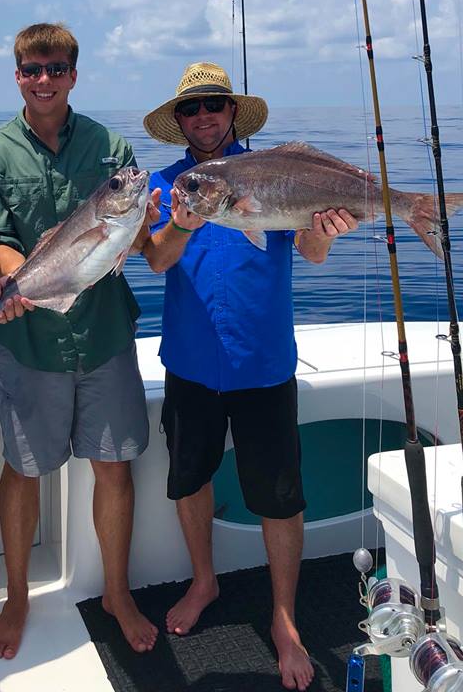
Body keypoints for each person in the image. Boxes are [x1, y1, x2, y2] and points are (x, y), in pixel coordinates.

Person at [141, 62, 357, 692]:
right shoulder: (165, 184)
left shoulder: (275, 174)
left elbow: (311, 253)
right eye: (191, 108)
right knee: (189, 480)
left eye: (214, 105)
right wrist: (183, 219)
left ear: (232, 112)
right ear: (178, 121)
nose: (204, 116)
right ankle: (204, 580)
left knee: (279, 496)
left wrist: (326, 233)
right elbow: (155, 260)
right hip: (189, 362)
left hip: (263, 364)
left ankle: (284, 617)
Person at [0, 22, 158, 660]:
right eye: (33, 69)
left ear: (74, 75)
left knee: (114, 465)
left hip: (104, 332)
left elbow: (128, 244)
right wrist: (10, 280)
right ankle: (18, 596)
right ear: (17, 75)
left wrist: (146, 225)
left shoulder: (112, 149)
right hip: (30, 342)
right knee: (23, 470)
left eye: (56, 68)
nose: (44, 79)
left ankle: (115, 591)